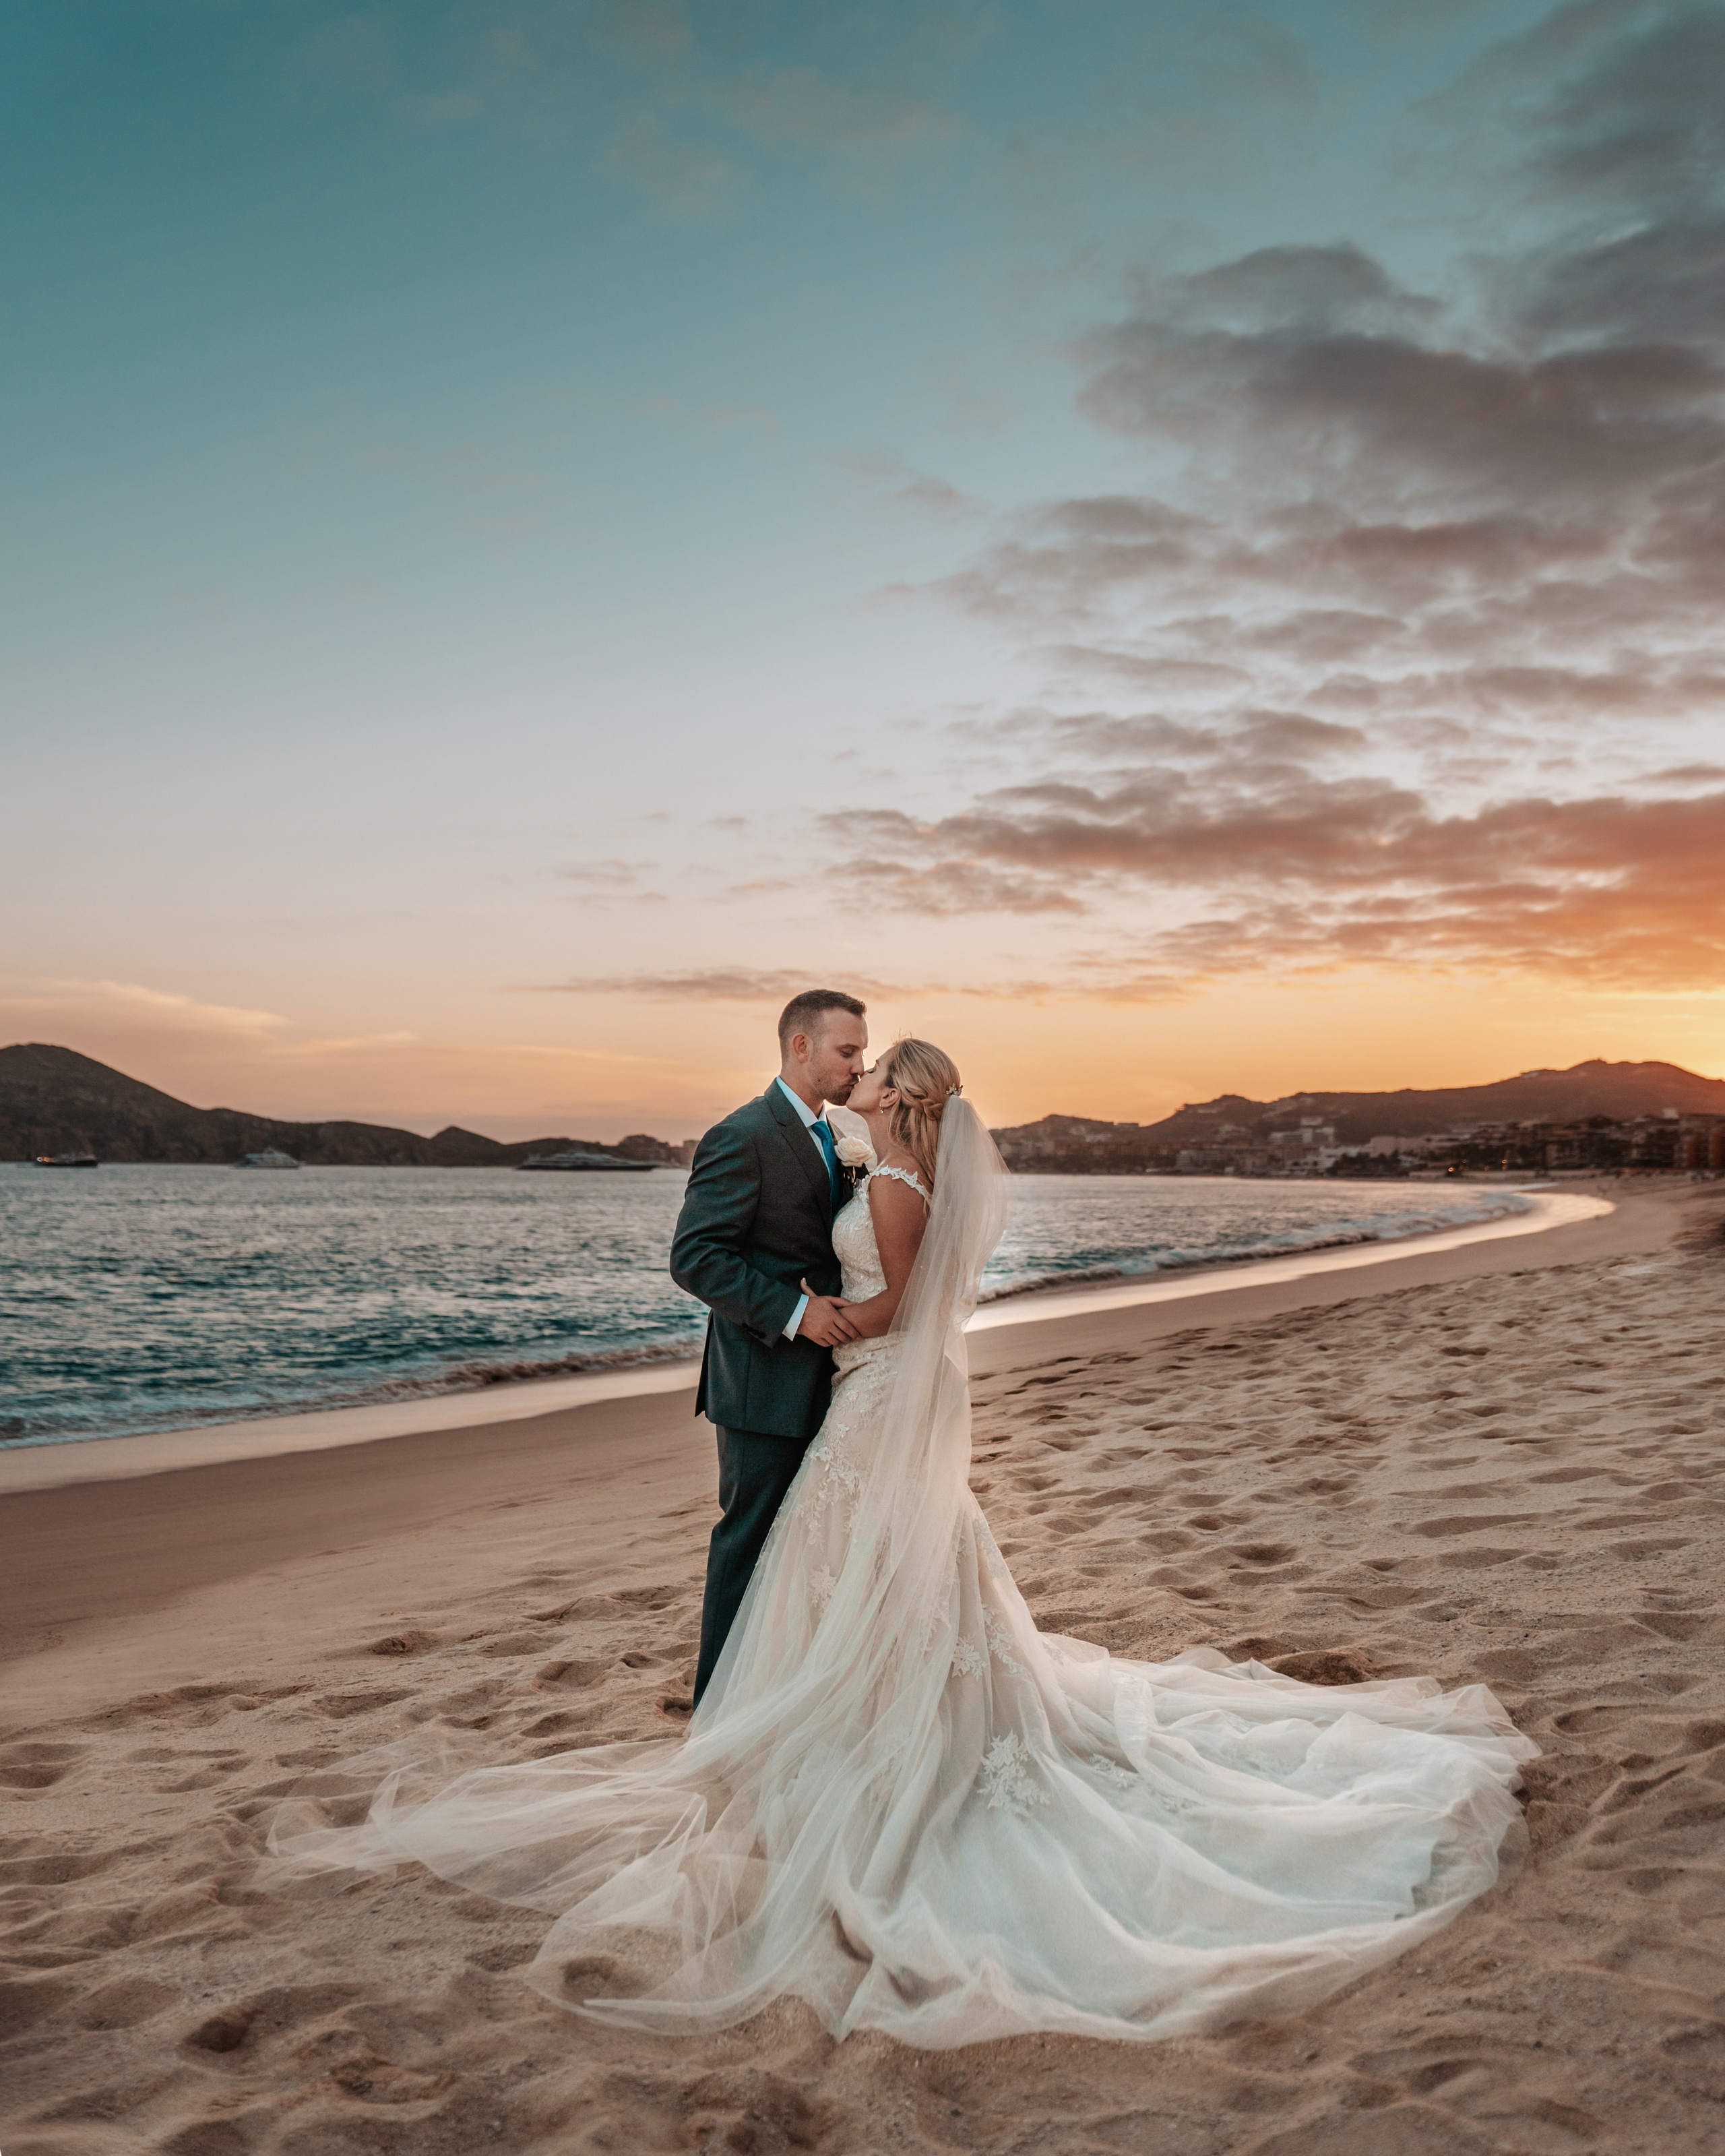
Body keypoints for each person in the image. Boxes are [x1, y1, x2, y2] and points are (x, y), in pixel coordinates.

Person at [273, 1037, 1536, 2048]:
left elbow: (896, 1303)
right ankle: (798, 1728)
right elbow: (812, 1272)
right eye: (849, 1054)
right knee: (866, 1569)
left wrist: (831, 1319)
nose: (859, 1072)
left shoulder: (887, 1178)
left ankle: (801, 1742)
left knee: (848, 1564)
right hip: (867, 1395)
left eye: (875, 1065)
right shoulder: (869, 1163)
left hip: (867, 1390)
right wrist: (828, 1317)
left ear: (900, 1094)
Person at [670, 988, 871, 1704]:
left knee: (806, 1550)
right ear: (801, 1046)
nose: (859, 1064)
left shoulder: (840, 1137)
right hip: (761, 1380)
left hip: (837, 1378)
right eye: (847, 1050)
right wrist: (793, 1312)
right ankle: (715, 1714)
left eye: (860, 1051)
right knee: (748, 1542)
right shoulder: (742, 1134)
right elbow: (696, 1258)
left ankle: (784, 1698)